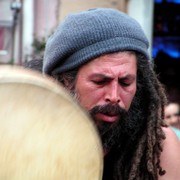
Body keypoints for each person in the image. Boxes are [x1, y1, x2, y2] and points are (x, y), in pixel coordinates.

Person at [27, 8, 180, 180]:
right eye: (100, 81)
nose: (114, 96)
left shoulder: (159, 146)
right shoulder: (28, 139)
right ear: (65, 81)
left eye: (125, 82)